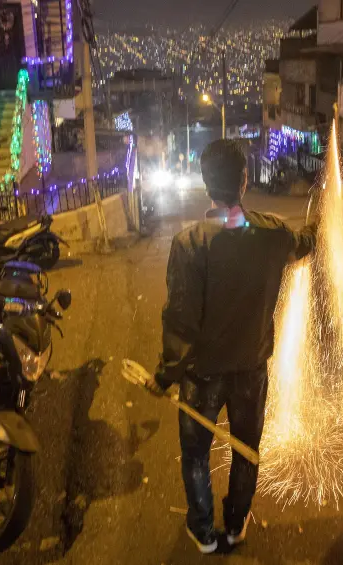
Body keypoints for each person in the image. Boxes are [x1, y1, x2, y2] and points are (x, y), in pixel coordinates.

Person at [145, 139, 318, 553]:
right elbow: (305, 243)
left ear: (206, 184)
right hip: (251, 370)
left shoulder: (189, 244)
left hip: (202, 375)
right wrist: (320, 220)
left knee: (195, 455)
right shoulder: (273, 234)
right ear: (244, 180)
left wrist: (166, 375)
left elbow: (180, 321)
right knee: (246, 450)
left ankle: (204, 531)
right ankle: (237, 524)